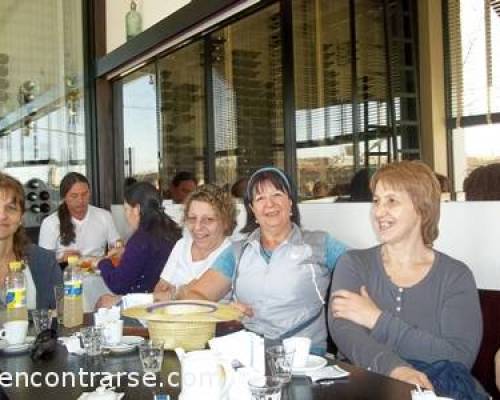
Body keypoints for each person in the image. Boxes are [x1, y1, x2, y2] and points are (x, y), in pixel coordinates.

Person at [329, 161, 482, 391]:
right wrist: (394, 369)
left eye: (392, 201)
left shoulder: (455, 276)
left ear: (422, 208)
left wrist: (376, 319)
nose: (379, 212)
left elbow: (459, 357)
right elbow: (347, 334)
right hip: (364, 390)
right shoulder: (353, 264)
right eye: (377, 201)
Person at [174, 167, 347, 354]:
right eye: (260, 198)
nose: (269, 204)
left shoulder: (319, 244)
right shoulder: (237, 252)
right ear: (252, 210)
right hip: (250, 353)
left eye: (277, 195)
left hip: (303, 356)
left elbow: (363, 268)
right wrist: (223, 310)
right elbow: (194, 297)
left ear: (290, 203)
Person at [95, 182, 181, 308]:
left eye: (126, 209)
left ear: (137, 209)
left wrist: (103, 263)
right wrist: (126, 252)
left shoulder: (141, 239)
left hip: (145, 306)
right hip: (171, 302)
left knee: (102, 303)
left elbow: (118, 284)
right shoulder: (173, 230)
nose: (125, 215)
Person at [154, 184, 236, 301]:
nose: (197, 227)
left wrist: (175, 294)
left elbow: (198, 303)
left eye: (208, 220)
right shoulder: (182, 245)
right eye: (192, 218)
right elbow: (158, 293)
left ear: (226, 222)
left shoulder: (231, 254)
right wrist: (183, 291)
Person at [0, 173, 62, 310]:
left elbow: (62, 317)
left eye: (10, 208)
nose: (2, 215)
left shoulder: (44, 261)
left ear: (21, 217)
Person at [38, 172, 121, 263]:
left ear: (90, 193)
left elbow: (117, 247)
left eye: (84, 194)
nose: (80, 200)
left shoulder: (104, 216)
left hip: (98, 273)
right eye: (74, 196)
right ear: (64, 198)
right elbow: (43, 264)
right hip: (65, 274)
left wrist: (117, 251)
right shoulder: (50, 223)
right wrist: (61, 261)